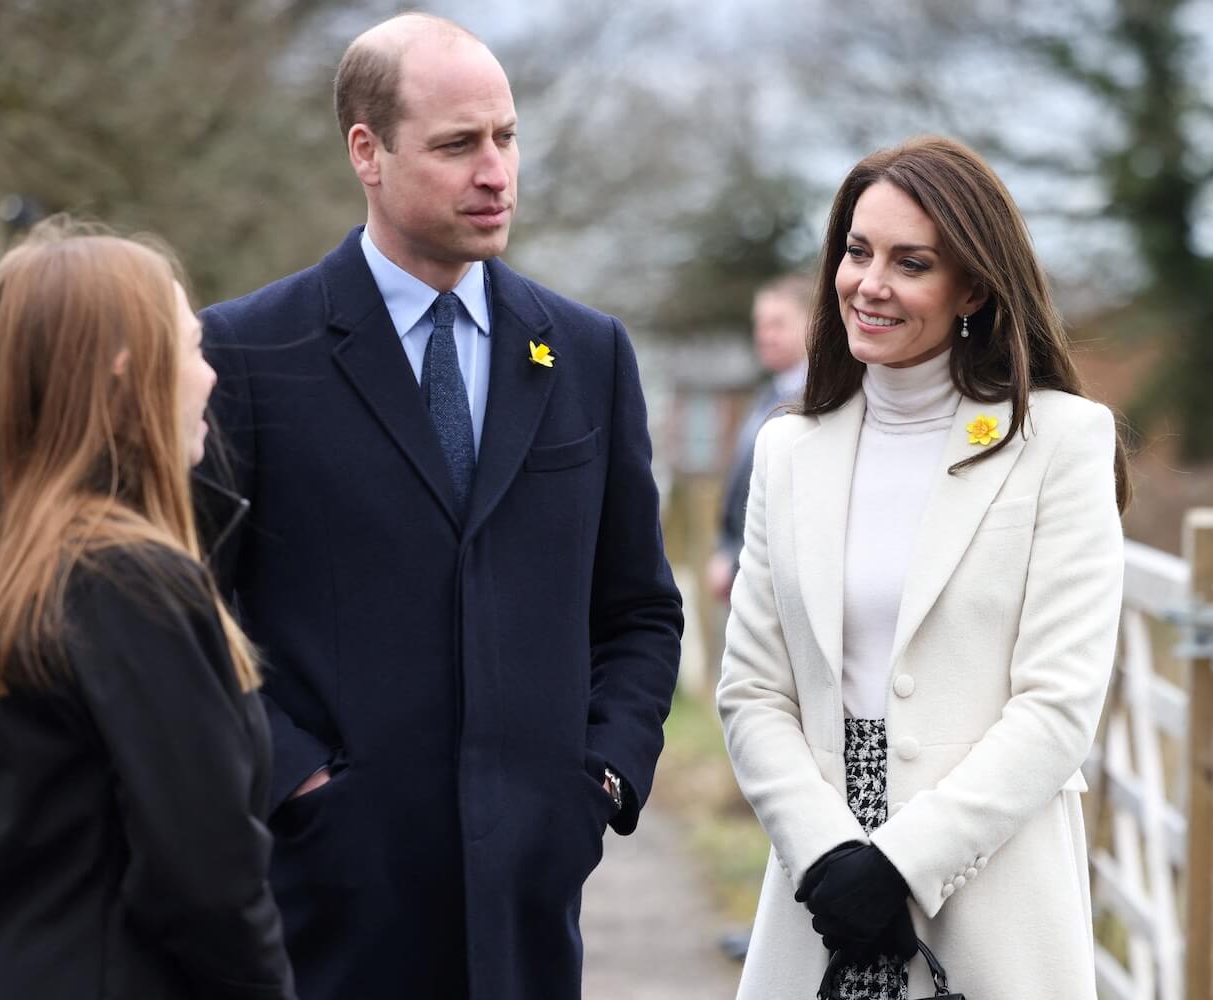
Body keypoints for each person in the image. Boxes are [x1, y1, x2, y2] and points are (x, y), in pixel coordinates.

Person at [200, 13, 683, 1000]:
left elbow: (639, 608)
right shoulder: (248, 352)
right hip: (327, 906)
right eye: (460, 144)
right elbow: (195, 613)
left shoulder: (586, 354)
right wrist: (297, 782)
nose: (496, 171)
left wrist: (599, 777)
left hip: (531, 908)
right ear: (365, 151)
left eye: (506, 137)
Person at [717, 136, 1130, 999]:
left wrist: (900, 863)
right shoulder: (787, 450)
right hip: (820, 893)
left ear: (971, 286)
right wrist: (831, 853)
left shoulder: (1059, 442)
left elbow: (1057, 707)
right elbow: (754, 691)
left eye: (912, 263)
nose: (870, 283)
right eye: (857, 252)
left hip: (989, 896)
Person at [0, 220, 296, 999]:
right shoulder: (130, 583)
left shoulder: (12, 569)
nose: (210, 377)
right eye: (190, 349)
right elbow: (206, 882)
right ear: (128, 372)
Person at [706, 273, 811, 604]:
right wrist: (725, 551)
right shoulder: (766, 396)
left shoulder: (819, 403)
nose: (765, 336)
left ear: (813, 323)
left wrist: (737, 559)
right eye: (760, 325)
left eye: (778, 324)